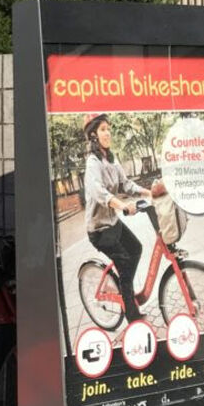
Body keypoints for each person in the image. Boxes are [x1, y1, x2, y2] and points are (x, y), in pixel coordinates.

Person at [83, 113, 152, 323]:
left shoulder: (111, 160)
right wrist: (123, 206)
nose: (108, 132)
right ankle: (131, 312)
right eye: (103, 129)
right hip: (99, 230)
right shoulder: (93, 163)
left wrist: (149, 192)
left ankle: (125, 288)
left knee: (136, 248)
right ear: (94, 135)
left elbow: (126, 184)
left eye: (109, 128)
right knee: (123, 262)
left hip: (113, 223)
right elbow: (99, 192)